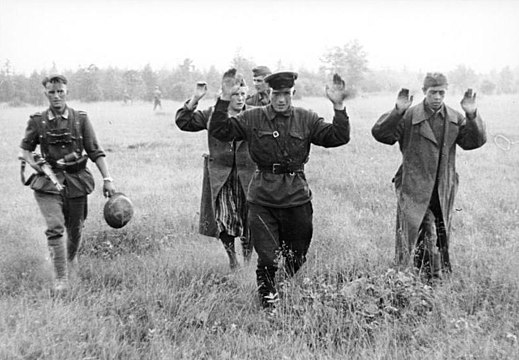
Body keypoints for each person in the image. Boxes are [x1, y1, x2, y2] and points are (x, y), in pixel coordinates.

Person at [209, 70, 351, 309]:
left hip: (296, 196)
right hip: (263, 198)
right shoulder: (253, 118)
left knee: (298, 255)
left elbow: (338, 137)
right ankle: (267, 302)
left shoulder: (306, 118)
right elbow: (220, 130)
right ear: (269, 93)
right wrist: (223, 99)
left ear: (292, 93)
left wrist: (338, 106)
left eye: (286, 93)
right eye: (276, 94)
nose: (281, 99)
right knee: (267, 256)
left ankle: (281, 285)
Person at [371, 72, 486, 281]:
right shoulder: (409, 116)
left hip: (442, 189)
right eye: (433, 92)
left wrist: (471, 115)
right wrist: (397, 111)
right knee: (422, 232)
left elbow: (473, 142)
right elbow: (381, 134)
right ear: (424, 92)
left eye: (442, 92)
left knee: (438, 234)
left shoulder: (454, 117)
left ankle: (422, 278)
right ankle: (433, 280)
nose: (437, 97)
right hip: (414, 187)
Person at [19, 74, 116, 292]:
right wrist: (34, 163)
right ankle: (60, 278)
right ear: (46, 94)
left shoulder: (80, 119)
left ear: (67, 92)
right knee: (55, 228)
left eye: (60, 91)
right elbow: (25, 149)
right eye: (52, 92)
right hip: (48, 184)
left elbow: (95, 151)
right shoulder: (37, 121)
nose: (56, 96)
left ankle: (70, 260)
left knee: (75, 230)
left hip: (76, 181)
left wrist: (107, 179)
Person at [175, 76, 256, 269]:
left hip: (248, 176)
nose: (239, 99)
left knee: (250, 219)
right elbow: (183, 122)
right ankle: (232, 260)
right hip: (221, 176)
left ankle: (247, 260)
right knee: (223, 218)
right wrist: (195, 99)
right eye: (235, 94)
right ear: (225, 95)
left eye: (243, 94)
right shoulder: (212, 114)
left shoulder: (254, 115)